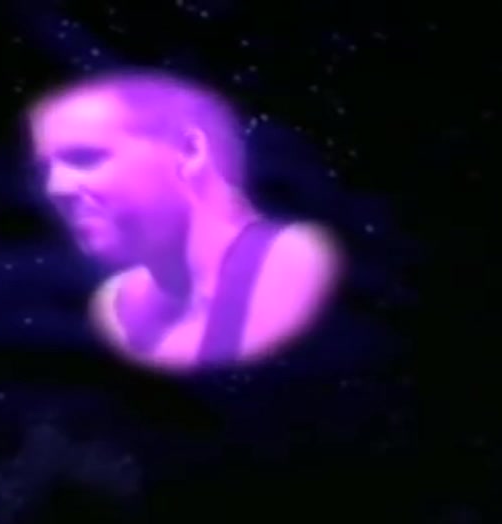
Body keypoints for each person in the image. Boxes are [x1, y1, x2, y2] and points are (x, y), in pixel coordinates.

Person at [27, 67, 343, 373]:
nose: (56, 188)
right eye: (45, 171)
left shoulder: (303, 264)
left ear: (189, 150)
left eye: (85, 157)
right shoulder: (115, 309)